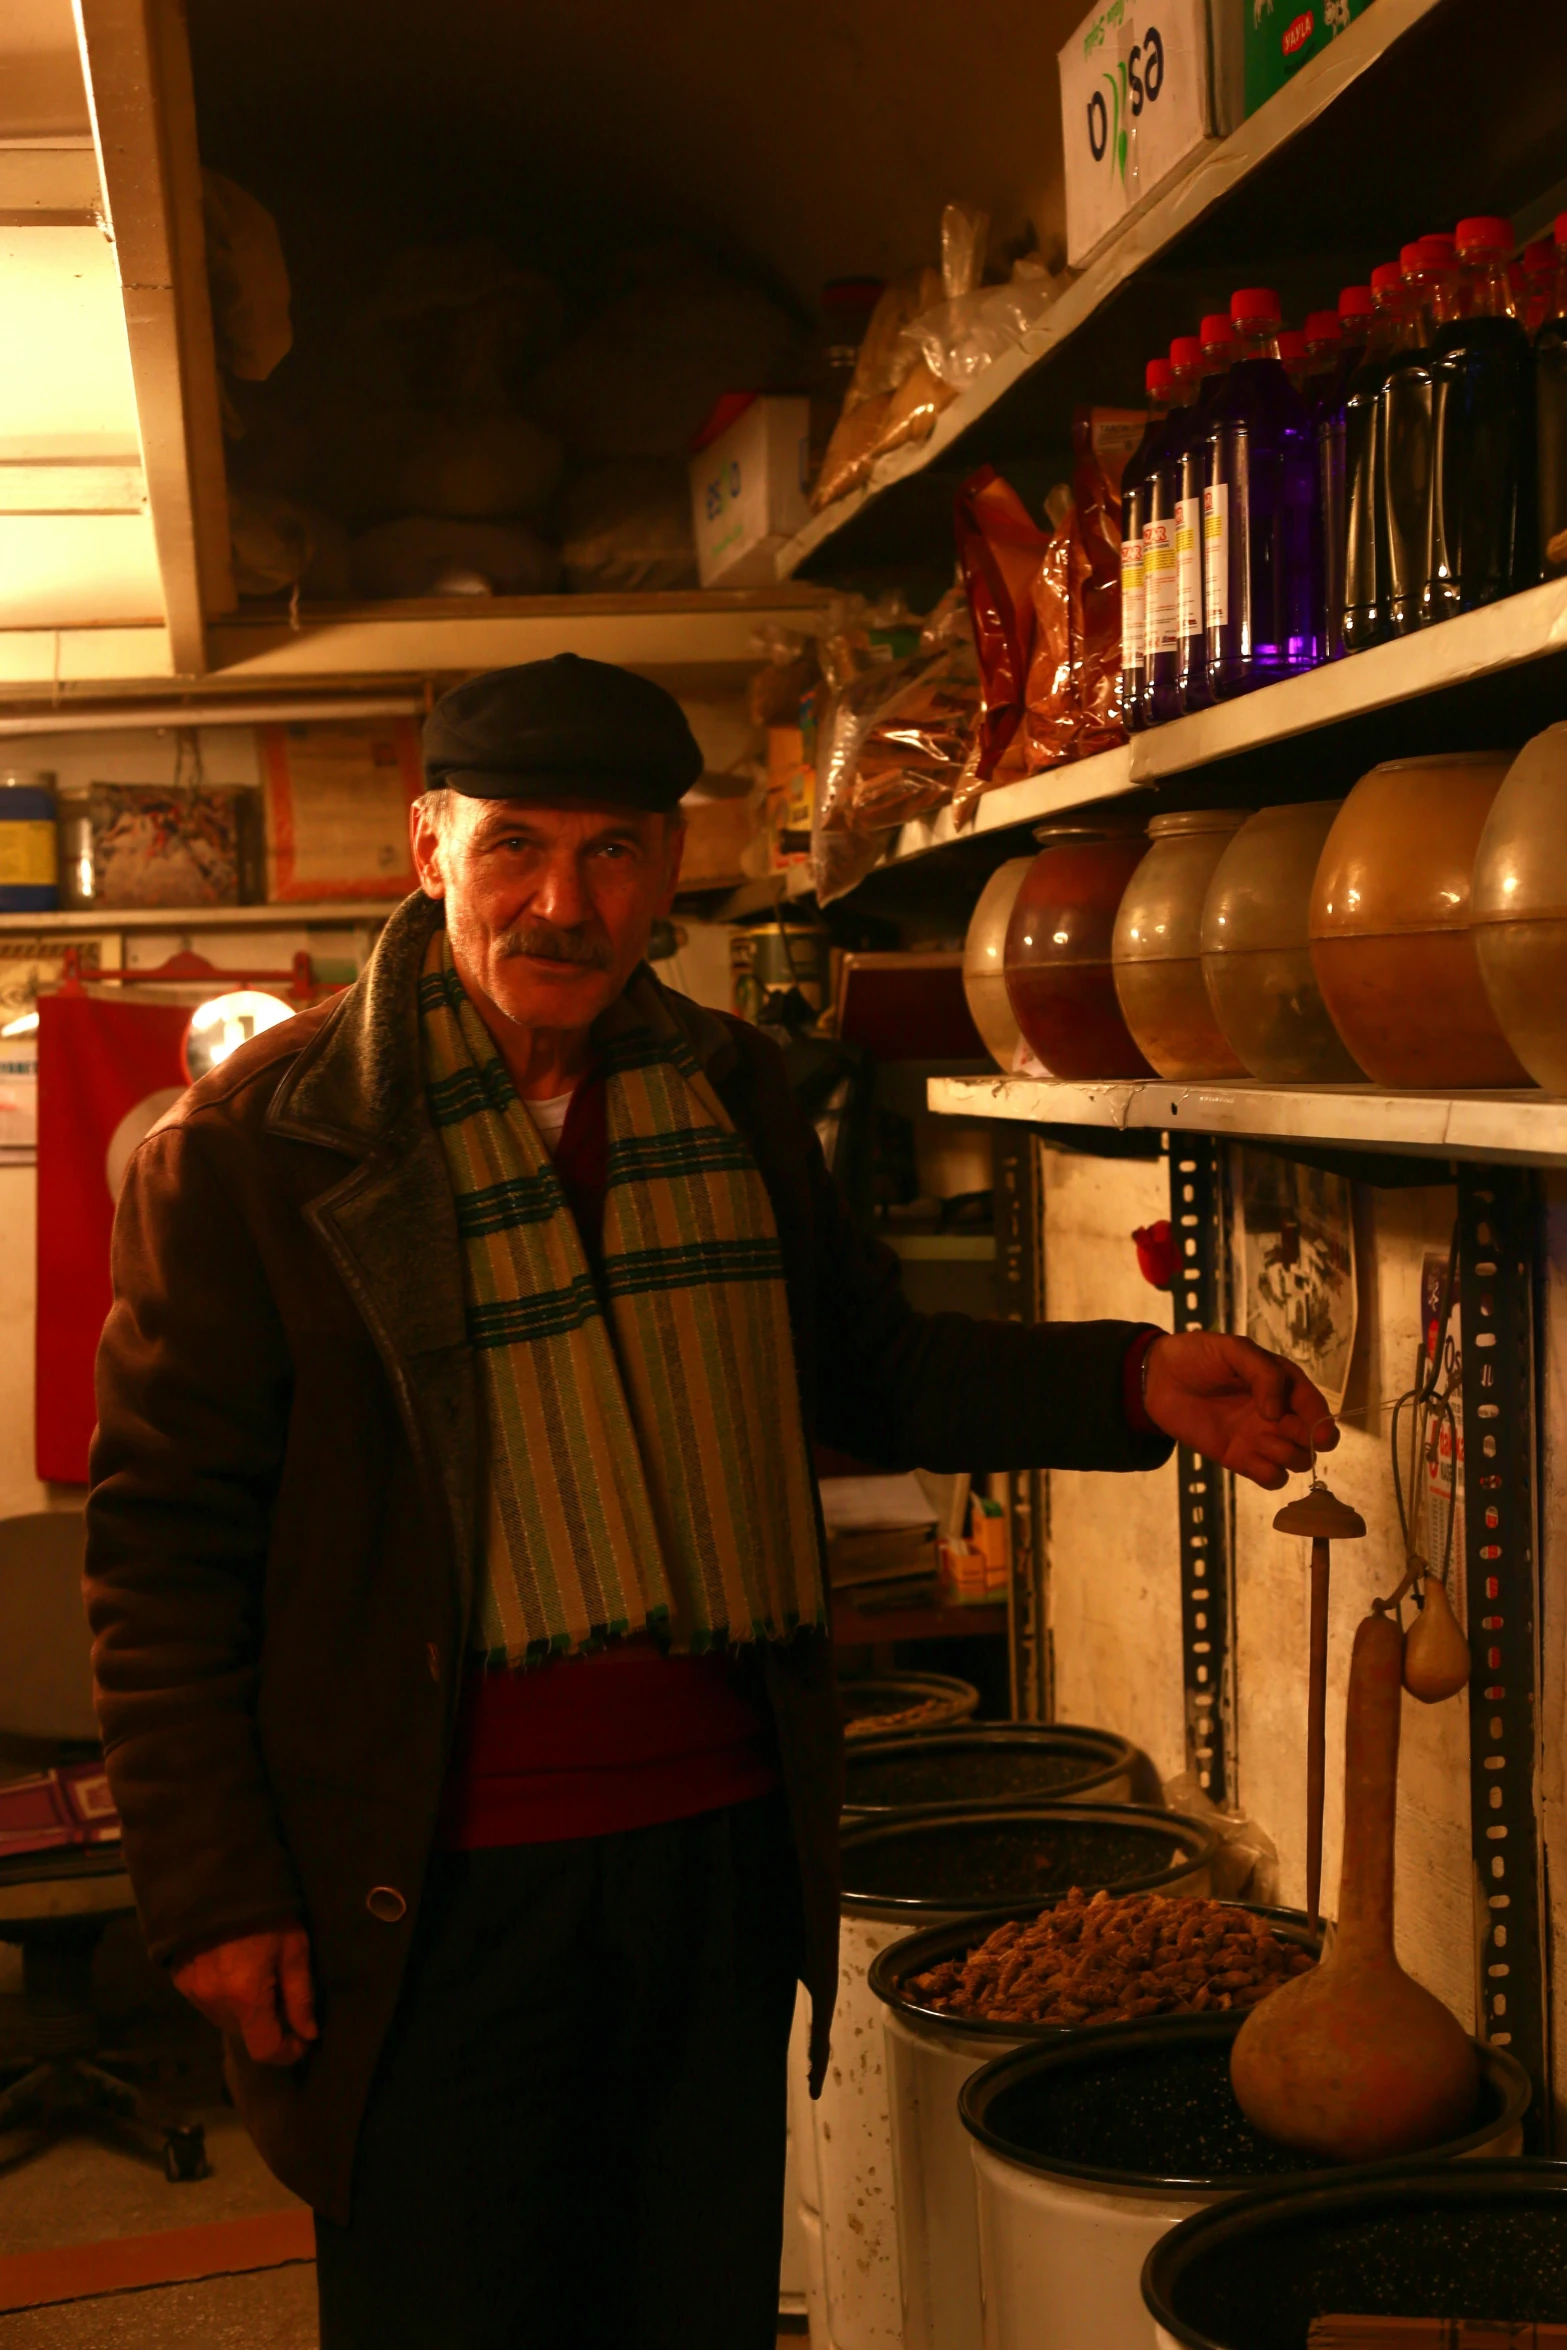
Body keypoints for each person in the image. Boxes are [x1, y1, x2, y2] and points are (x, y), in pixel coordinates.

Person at [85, 656, 1334, 2350]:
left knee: (688, 2307)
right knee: (452, 2311)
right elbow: (166, 1552)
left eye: (612, 855)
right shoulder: (262, 1146)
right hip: (428, 1870)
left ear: (669, 874)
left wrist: (1129, 1381)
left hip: (712, 1856)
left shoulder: (735, 1096)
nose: (561, 901)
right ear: (428, 841)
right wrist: (216, 1891)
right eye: (515, 846)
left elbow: (866, 1367)